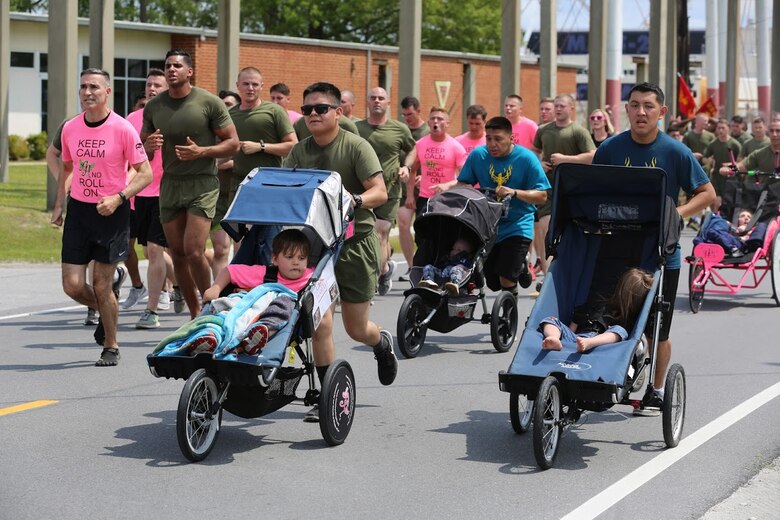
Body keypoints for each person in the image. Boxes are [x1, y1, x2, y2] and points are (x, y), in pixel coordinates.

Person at [593, 82, 715, 415]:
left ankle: (656, 389)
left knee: (657, 328)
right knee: (608, 316)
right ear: (626, 109)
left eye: (648, 106)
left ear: (661, 112)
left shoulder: (676, 152)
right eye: (634, 105)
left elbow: (707, 194)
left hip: (662, 254)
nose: (641, 112)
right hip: (616, 247)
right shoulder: (610, 149)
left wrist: (675, 214)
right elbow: (594, 190)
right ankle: (606, 375)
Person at [282, 82, 397, 421]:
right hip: (315, 246)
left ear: (338, 112)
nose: (313, 115)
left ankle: (381, 344)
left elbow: (379, 192)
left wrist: (355, 200)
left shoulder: (356, 146)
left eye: (320, 109)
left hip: (355, 242)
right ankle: (325, 395)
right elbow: (285, 189)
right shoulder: (299, 152)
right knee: (320, 323)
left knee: (356, 329)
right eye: (307, 110)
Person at [51, 68, 153, 366]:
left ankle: (111, 344)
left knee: (101, 282)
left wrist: (120, 197)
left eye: (94, 86)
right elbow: (68, 168)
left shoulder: (122, 128)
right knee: (71, 285)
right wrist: (59, 205)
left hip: (112, 210)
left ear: (107, 91)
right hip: (80, 212)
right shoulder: (70, 127)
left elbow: (144, 173)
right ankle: (107, 308)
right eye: (83, 86)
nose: (87, 92)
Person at [141, 49, 240, 319]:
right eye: (168, 66)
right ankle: (195, 313)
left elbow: (233, 143)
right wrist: (148, 146)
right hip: (170, 184)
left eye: (177, 66)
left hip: (202, 183)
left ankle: (211, 305)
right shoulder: (154, 106)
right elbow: (144, 152)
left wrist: (202, 152)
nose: (172, 70)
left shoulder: (208, 102)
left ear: (189, 71)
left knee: (194, 250)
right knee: (177, 253)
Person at [457, 116, 550, 293]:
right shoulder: (479, 155)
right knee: (492, 283)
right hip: (489, 225)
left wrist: (514, 192)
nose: (492, 144)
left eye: (498, 139)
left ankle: (508, 318)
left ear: (511, 138)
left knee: (506, 278)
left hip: (518, 224)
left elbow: (542, 195)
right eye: (489, 138)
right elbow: (463, 182)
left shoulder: (527, 158)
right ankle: (521, 267)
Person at [197, 229, 314, 355]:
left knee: (285, 300)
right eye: (289, 257)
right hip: (250, 313)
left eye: (301, 258)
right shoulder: (265, 273)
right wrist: (216, 288)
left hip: (275, 319)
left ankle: (257, 335)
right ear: (275, 259)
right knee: (230, 305)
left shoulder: (310, 277)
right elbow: (230, 271)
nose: (296, 262)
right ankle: (209, 335)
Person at [125, 68, 176, 328]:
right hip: (138, 193)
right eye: (148, 85)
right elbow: (124, 156)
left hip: (166, 192)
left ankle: (151, 310)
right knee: (146, 249)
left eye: (157, 85)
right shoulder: (131, 119)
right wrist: (145, 148)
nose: (152, 89)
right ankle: (177, 283)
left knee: (155, 249)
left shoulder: (174, 116)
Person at [356, 87, 416, 296]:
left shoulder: (399, 129)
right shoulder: (357, 128)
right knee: (364, 234)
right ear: (367, 102)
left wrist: (406, 167)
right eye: (372, 98)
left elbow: (412, 149)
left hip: (390, 190)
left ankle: (373, 281)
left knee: (380, 231)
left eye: (381, 98)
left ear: (388, 103)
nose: (377, 101)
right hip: (363, 190)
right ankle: (384, 268)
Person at [531, 94, 596, 282]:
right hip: (548, 188)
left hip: (571, 189)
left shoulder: (578, 131)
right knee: (546, 231)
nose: (558, 109)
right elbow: (534, 151)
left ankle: (569, 273)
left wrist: (566, 160)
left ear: (571, 108)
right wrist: (539, 163)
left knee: (568, 234)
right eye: (556, 106)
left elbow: (593, 155)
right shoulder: (543, 130)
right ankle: (548, 279)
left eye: (562, 106)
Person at [540, 268, 653, 353]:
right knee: (551, 320)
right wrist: (568, 336)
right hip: (581, 339)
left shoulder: (625, 317)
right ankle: (554, 339)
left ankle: (587, 342)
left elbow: (577, 317)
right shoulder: (605, 304)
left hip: (597, 340)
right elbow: (578, 317)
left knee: (619, 331)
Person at [405, 107, 467, 218]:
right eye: (433, 118)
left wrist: (447, 185)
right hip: (424, 198)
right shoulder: (420, 144)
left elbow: (465, 177)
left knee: (444, 234)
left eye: (440, 119)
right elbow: (412, 170)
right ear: (428, 123)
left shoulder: (456, 147)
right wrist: (410, 196)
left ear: (447, 124)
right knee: (423, 233)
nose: (435, 121)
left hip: (447, 198)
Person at [397, 96, 431, 281]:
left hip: (426, 187)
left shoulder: (427, 132)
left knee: (423, 229)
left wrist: (425, 174)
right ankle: (411, 266)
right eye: (404, 115)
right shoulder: (403, 131)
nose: (407, 118)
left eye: (410, 114)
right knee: (403, 224)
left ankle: (424, 264)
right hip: (405, 186)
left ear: (418, 111)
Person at [702, 118, 742, 212]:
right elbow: (704, 158)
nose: (720, 130)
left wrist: (732, 165)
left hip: (731, 178)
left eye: (723, 128)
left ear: (728, 129)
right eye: (719, 128)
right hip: (717, 177)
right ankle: (714, 222)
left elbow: (741, 162)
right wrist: (708, 161)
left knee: (729, 205)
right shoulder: (713, 144)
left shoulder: (735, 144)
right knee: (716, 203)